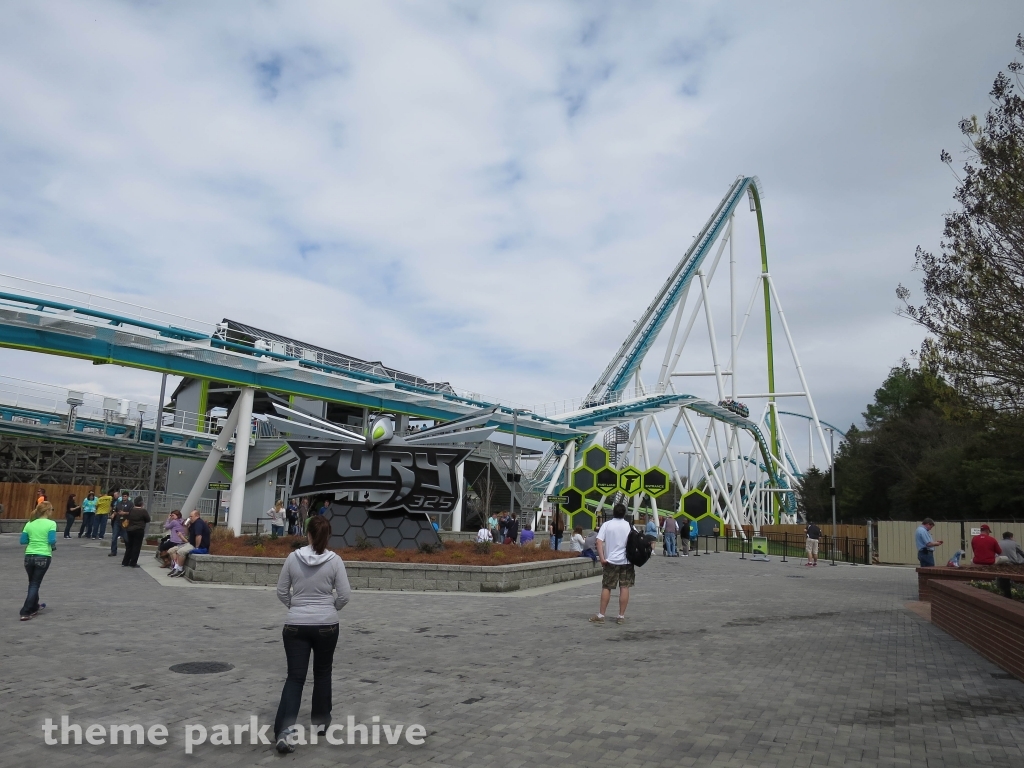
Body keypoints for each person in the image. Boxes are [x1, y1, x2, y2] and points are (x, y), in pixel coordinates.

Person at [273, 515, 351, 754]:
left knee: (295, 678)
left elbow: (281, 591)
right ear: (328, 536)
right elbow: (344, 595)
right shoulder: (335, 561)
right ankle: (320, 723)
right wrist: (329, 608)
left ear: (307, 534)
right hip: (327, 624)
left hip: (295, 625)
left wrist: (295, 607)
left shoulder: (292, 558)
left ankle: (285, 732)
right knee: (323, 672)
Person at [591, 504, 634, 624]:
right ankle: (621, 616)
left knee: (607, 587)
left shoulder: (607, 525)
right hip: (626, 561)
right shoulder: (629, 526)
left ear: (613, 512)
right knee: (624, 587)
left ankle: (601, 615)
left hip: (611, 561)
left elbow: (599, 542)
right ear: (624, 513)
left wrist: (602, 559)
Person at [20, 501, 57, 621]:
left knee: (32, 582)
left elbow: (23, 541)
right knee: (35, 583)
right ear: (47, 511)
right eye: (52, 510)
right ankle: (26, 611)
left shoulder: (29, 523)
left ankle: (34, 606)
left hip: (29, 555)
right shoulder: (51, 524)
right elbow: (51, 540)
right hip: (43, 555)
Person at [168, 509, 212, 577]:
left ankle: (180, 569)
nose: (190, 518)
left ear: (197, 516)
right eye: (189, 516)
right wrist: (186, 527)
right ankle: (176, 567)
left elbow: (198, 536)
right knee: (172, 550)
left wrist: (197, 547)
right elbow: (187, 534)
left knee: (181, 552)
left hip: (199, 545)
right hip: (190, 543)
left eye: (191, 516)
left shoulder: (199, 523)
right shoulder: (193, 523)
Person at [121, 496, 151, 568]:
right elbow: (148, 519)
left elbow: (128, 517)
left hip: (130, 529)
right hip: (139, 530)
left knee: (129, 546)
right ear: (141, 503)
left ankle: (125, 562)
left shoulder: (131, 510)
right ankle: (133, 562)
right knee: (136, 546)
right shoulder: (143, 511)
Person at [109, 491, 132, 557]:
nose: (124, 497)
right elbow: (116, 511)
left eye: (125, 496)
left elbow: (132, 512)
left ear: (127, 497)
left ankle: (128, 551)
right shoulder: (119, 503)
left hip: (125, 522)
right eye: (123, 496)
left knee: (126, 538)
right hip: (117, 521)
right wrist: (113, 515)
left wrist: (124, 513)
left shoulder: (130, 504)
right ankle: (113, 551)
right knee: (114, 537)